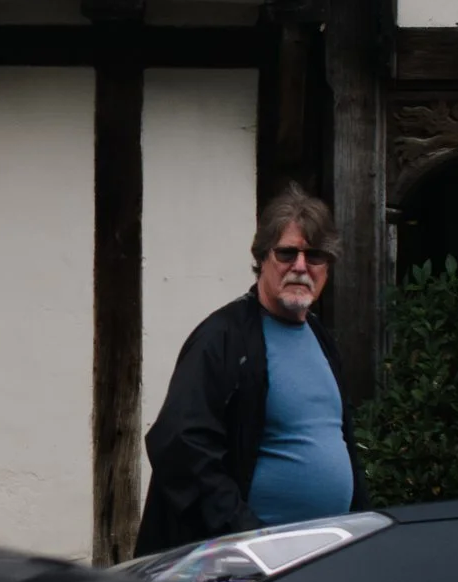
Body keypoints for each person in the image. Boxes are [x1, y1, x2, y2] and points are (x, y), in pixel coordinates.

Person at [134, 184, 366, 556]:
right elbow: (181, 445)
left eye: (315, 256)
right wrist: (244, 535)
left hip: (322, 558)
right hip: (245, 567)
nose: (301, 267)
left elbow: (341, 443)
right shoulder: (221, 338)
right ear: (262, 257)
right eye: (287, 253)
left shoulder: (321, 339)